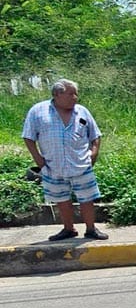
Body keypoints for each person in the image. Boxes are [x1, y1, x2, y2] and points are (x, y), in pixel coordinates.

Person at [22, 79, 108, 241]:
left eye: (76, 94)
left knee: (87, 198)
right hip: (53, 166)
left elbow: (95, 135)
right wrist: (40, 161)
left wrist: (93, 154)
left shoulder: (82, 111)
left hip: (81, 164)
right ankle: (68, 229)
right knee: (61, 199)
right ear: (57, 94)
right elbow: (28, 137)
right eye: (71, 94)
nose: (75, 97)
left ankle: (91, 229)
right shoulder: (38, 112)